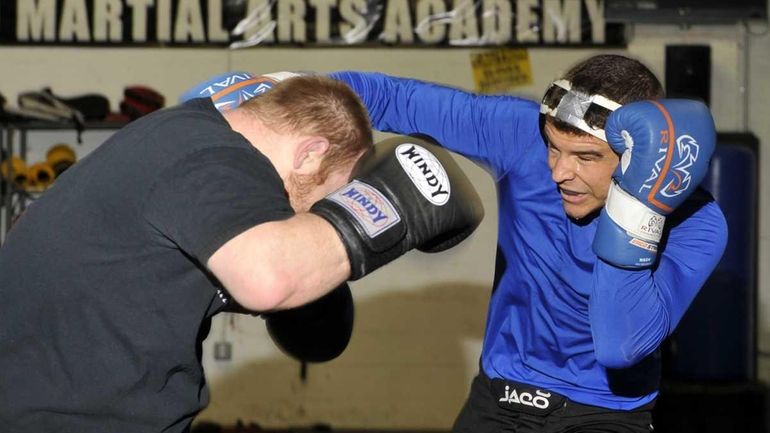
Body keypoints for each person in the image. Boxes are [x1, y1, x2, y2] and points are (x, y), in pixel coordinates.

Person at [0, 74, 484, 433]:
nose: (311, 217)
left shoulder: (182, 135)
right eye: (326, 198)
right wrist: (391, 205)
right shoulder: (215, 161)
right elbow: (269, 278)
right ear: (310, 153)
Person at [327, 54, 728, 432]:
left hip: (605, 413)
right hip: (498, 398)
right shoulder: (521, 136)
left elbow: (621, 345)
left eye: (585, 157)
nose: (559, 172)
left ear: (641, 157)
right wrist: (279, 93)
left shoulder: (698, 225)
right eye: (554, 147)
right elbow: (391, 97)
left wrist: (637, 209)